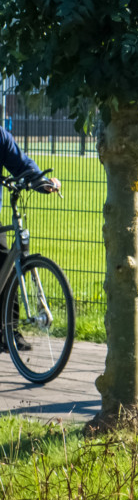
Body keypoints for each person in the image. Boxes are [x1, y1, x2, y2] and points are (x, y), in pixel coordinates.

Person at [0, 126, 60, 353]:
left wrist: (42, 182)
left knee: (6, 263)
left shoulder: (1, 137)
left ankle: (8, 332)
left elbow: (21, 163)